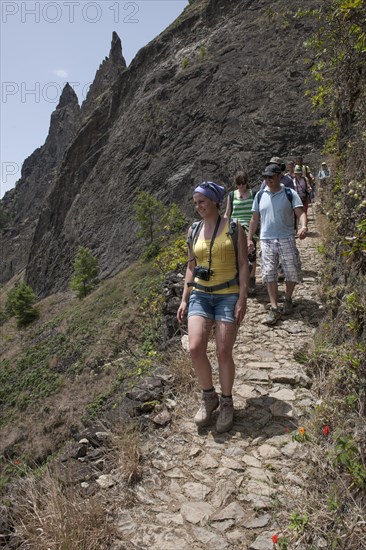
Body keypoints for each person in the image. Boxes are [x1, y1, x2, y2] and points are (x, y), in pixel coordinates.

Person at [177, 181, 249, 432]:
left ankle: (227, 402)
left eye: (202, 202)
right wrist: (185, 297)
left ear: (215, 202)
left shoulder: (234, 227)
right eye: (195, 203)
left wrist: (242, 298)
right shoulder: (193, 230)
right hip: (200, 295)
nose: (198, 207)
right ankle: (209, 397)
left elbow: (243, 264)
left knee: (222, 350)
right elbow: (191, 265)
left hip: (227, 295)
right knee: (195, 347)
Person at [247, 164, 308, 325]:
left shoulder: (289, 193)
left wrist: (303, 226)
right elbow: (254, 218)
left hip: (286, 237)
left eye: (271, 177)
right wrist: (249, 238)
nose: (268, 180)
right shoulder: (260, 195)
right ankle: (274, 307)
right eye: (265, 177)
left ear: (279, 176)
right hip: (266, 239)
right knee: (268, 273)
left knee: (291, 271)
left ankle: (287, 299)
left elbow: (300, 212)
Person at [225, 171, 257, 295]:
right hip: (235, 227)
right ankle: (240, 279)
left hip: (250, 227)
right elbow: (228, 213)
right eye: (238, 183)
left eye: (243, 183)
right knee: (236, 254)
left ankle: (252, 279)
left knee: (251, 253)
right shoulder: (232, 195)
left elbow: (256, 213)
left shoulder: (253, 194)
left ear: (246, 182)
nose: (241, 186)